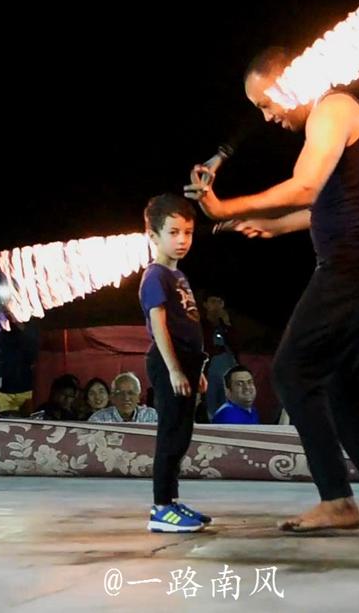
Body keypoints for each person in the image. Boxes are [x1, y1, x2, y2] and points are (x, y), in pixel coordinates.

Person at [186, 47, 359, 531]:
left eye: (267, 103)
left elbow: (307, 186)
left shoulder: (334, 109)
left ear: (290, 80)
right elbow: (325, 206)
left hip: (355, 265)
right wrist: (271, 224)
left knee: (292, 371)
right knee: (342, 389)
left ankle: (336, 500)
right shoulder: (331, 117)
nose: (268, 116)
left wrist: (224, 208)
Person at [140, 193, 210, 533]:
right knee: (170, 435)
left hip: (188, 364)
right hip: (170, 363)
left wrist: (198, 371)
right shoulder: (155, 276)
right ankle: (161, 508)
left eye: (188, 232)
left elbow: (190, 325)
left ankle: (172, 501)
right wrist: (174, 369)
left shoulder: (178, 276)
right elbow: (159, 325)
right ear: (153, 236)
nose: (182, 240)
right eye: (173, 232)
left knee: (182, 435)